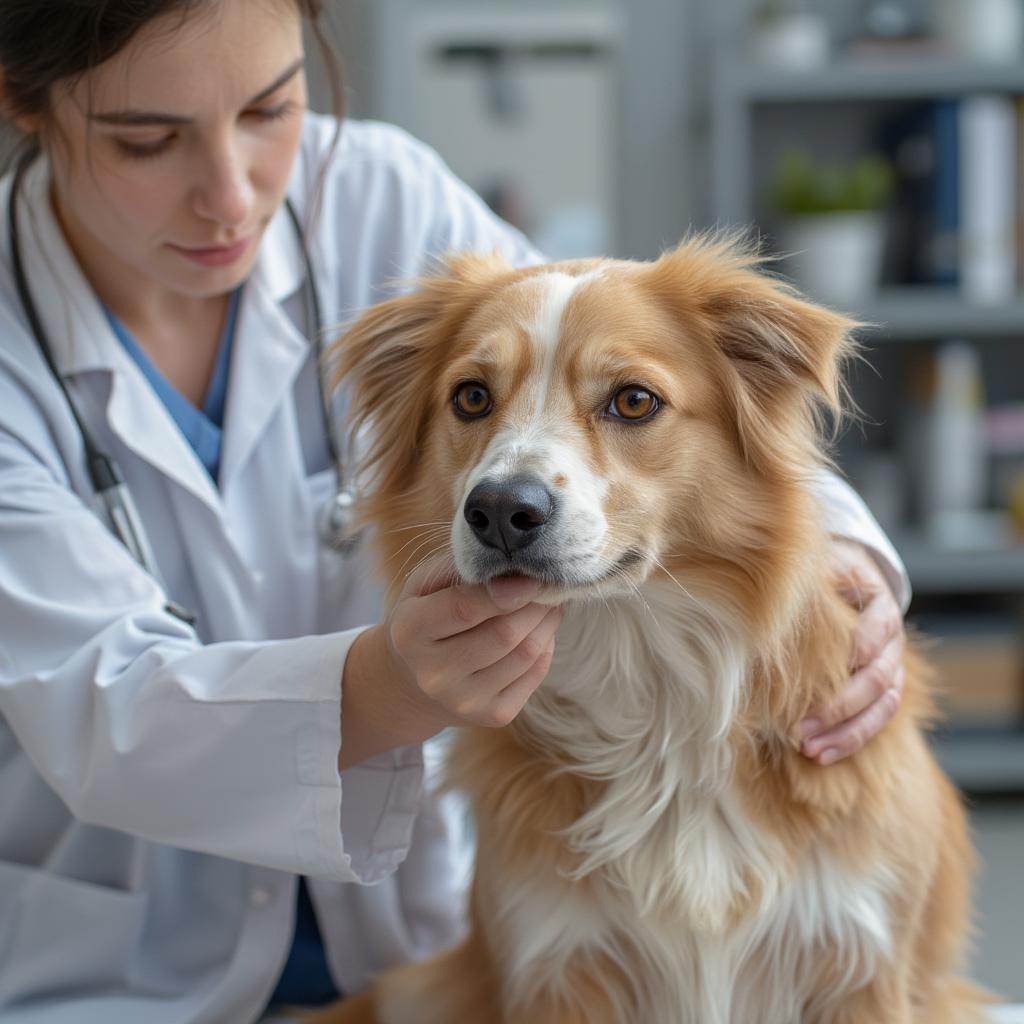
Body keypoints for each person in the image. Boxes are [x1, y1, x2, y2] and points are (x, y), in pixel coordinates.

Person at [0, 1, 910, 1020]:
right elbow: (99, 707)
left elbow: (614, 359)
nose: (230, 194)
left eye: (270, 107)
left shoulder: (378, 194)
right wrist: (390, 685)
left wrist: (848, 561)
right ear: (22, 103)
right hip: (125, 965)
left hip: (412, 941)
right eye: (147, 140)